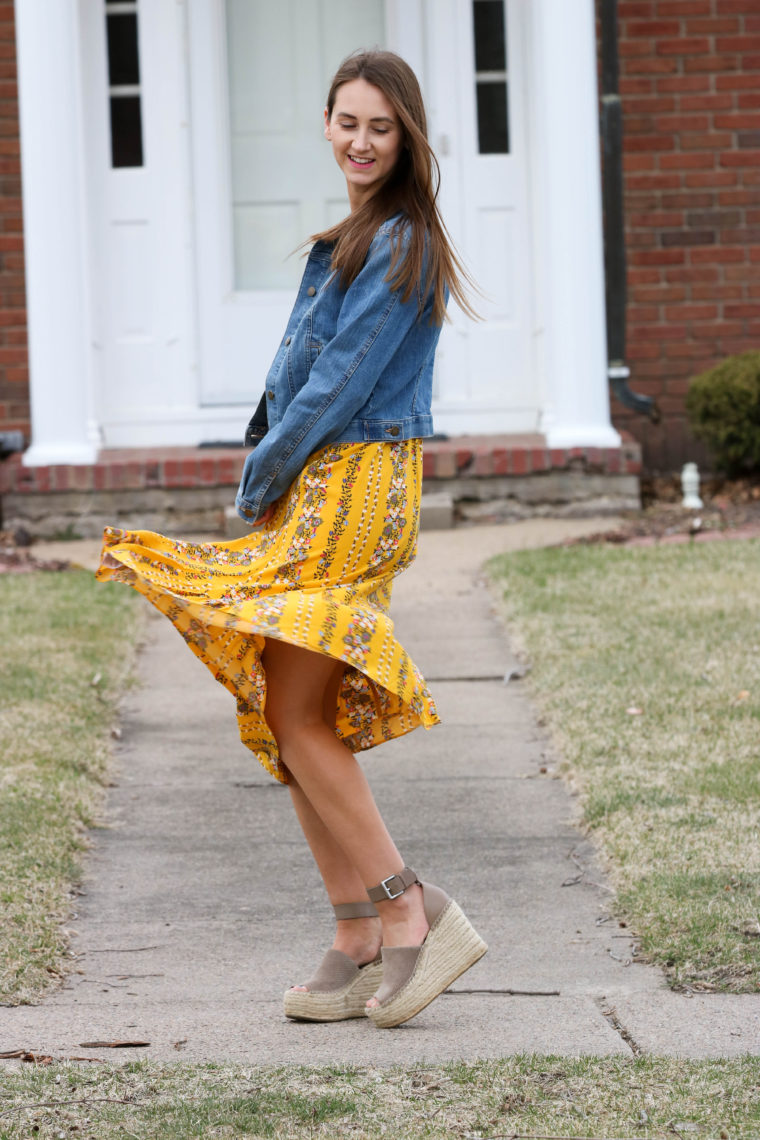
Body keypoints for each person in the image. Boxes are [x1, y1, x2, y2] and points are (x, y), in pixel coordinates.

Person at [97, 49, 486, 1028]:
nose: (360, 140)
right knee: (281, 704)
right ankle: (354, 930)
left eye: (380, 127)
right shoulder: (354, 237)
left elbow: (340, 383)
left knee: (300, 710)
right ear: (324, 123)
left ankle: (410, 910)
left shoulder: (398, 242)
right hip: (322, 480)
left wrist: (261, 476)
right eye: (347, 122)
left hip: (353, 484)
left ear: (406, 139)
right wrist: (275, 476)